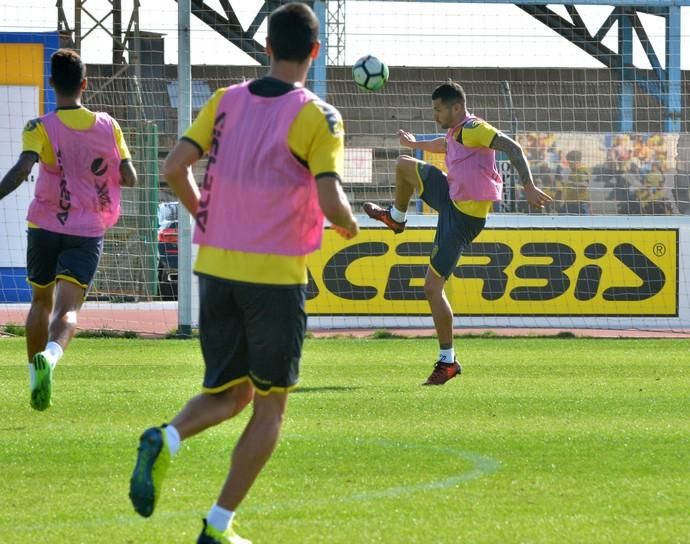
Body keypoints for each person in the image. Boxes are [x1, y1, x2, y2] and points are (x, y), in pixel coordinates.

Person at [128, 3, 358, 543]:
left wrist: (202, 213)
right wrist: (347, 223)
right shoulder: (319, 116)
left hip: (215, 268)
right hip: (274, 275)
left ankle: (167, 437)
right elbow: (329, 194)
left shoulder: (225, 100)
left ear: (268, 47)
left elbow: (171, 169)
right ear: (315, 52)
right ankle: (218, 526)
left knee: (230, 394)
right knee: (272, 406)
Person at [363, 81, 551, 386]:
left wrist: (527, 185)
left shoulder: (475, 127)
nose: (435, 114)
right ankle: (396, 218)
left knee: (431, 288)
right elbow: (445, 144)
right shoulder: (457, 131)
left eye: (438, 109)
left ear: (456, 108)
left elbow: (512, 147)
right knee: (404, 164)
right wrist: (415, 145)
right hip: (450, 197)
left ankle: (448, 361)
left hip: (462, 220)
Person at [0, 48, 137, 411]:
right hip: (87, 229)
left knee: (40, 302)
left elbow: (21, 169)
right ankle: (52, 356)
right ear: (84, 83)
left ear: (51, 84)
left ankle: (35, 377)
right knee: (68, 310)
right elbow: (130, 176)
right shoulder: (109, 125)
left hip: (43, 226)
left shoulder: (39, 126)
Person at [556, 149, 591, 214]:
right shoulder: (572, 171)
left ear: (577, 161)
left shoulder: (582, 171)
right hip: (569, 202)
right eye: (568, 163)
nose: (569, 165)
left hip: (580, 203)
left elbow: (585, 184)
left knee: (582, 222)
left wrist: (570, 183)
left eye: (570, 163)